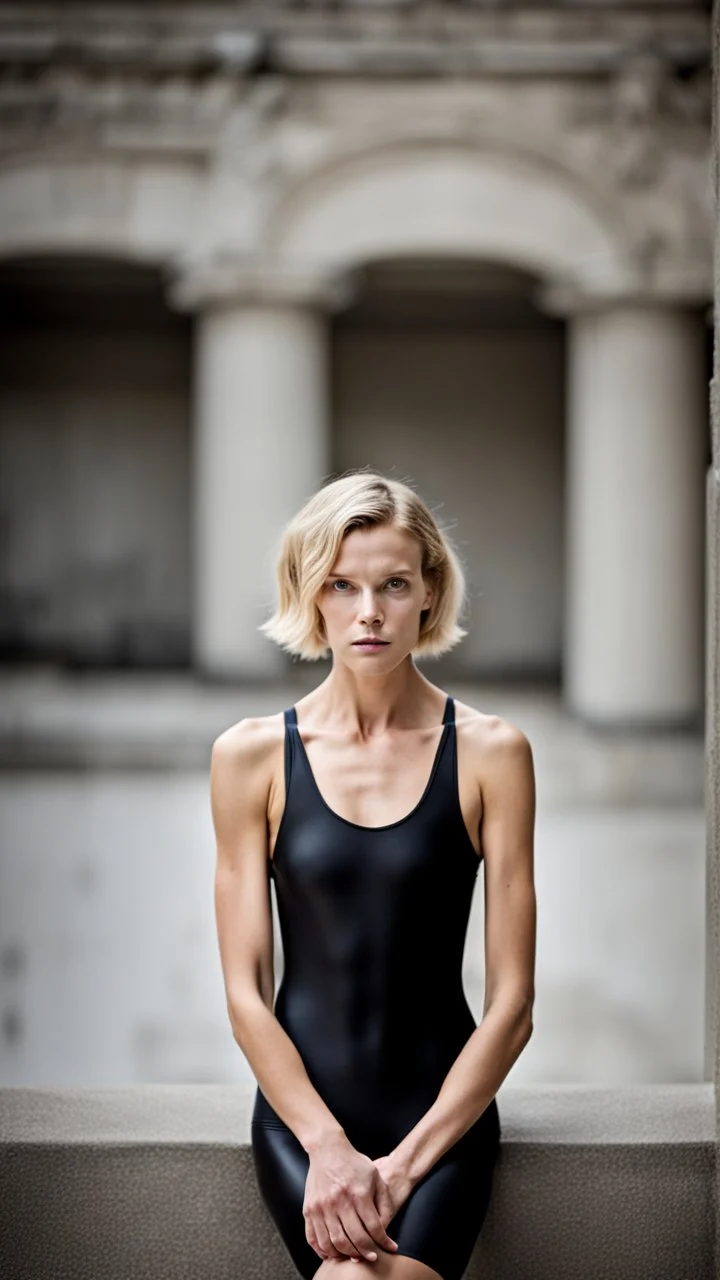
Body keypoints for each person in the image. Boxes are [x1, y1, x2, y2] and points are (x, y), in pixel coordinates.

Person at [211, 469, 537, 1280]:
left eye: (393, 584)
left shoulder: (492, 753)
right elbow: (246, 991)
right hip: (302, 1125)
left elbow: (514, 1005)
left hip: (443, 1124)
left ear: (429, 591)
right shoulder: (250, 757)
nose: (369, 613)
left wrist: (399, 1167)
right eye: (342, 585)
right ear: (310, 594)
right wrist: (328, 1149)